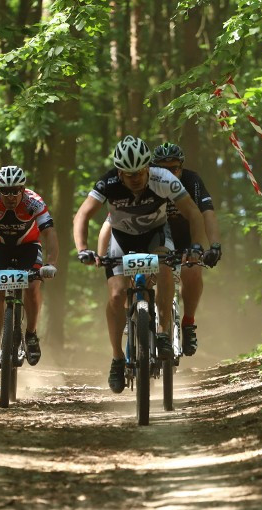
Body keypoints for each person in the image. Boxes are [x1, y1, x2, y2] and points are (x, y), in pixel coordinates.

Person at [74, 135, 209, 393]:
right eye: (128, 174)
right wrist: (83, 250)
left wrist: (195, 247)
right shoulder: (108, 182)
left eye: (140, 172)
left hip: (156, 235)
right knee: (116, 296)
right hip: (120, 237)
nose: (135, 178)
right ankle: (116, 359)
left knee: (165, 267)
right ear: (119, 172)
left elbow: (193, 212)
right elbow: (82, 215)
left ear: (148, 167)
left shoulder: (164, 179)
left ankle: (162, 331)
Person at [97, 142, 221, 356]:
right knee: (141, 279)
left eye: (174, 168)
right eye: (163, 168)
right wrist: (101, 255)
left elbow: (205, 214)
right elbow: (111, 221)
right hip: (152, 236)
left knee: (192, 271)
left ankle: (188, 323)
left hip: (183, 237)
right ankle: (137, 320)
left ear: (181, 167)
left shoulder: (191, 181)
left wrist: (213, 245)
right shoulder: (147, 183)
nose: (169, 172)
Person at [0, 165, 59, 372]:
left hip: (28, 247)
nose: (11, 196)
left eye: (15, 190)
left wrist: (51, 263)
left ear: (23, 189)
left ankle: (31, 334)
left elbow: (50, 234)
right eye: (5, 191)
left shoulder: (34, 201)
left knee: (33, 286)